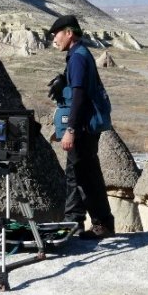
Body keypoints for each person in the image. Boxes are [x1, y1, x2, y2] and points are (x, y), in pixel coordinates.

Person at [48, 15, 115, 239]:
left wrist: (71, 130)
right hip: (87, 127)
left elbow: (79, 96)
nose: (54, 39)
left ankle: (72, 223)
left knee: (75, 175)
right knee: (88, 175)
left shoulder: (77, 57)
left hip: (82, 128)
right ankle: (101, 223)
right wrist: (63, 79)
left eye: (56, 34)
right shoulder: (80, 54)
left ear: (69, 33)